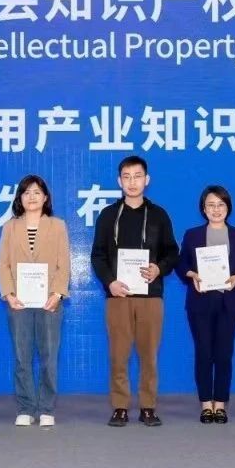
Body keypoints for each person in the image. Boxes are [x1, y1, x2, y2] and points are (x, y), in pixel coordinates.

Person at [90, 155, 179, 427]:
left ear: (146, 180)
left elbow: (172, 252)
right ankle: (120, 407)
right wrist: (109, 282)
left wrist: (159, 268)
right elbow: (98, 255)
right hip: (118, 296)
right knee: (118, 355)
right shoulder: (108, 215)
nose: (132, 182)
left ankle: (148, 407)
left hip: (150, 297)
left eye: (137, 176)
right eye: (127, 177)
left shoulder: (159, 215)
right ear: (119, 181)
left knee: (149, 356)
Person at [176, 185, 235, 424]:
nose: (216, 209)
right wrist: (191, 274)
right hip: (200, 302)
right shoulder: (192, 235)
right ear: (203, 208)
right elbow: (181, 263)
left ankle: (220, 404)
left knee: (224, 353)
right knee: (203, 352)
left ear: (228, 208)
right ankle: (205, 404)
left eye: (221, 204)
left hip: (229, 302)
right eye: (211, 205)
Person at [0, 175, 71, 428]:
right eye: (26, 192)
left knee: (49, 357)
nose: (32, 197)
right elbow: (3, 264)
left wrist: (57, 294)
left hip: (50, 302)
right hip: (19, 303)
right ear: (20, 197)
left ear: (45, 197)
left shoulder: (58, 226)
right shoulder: (10, 227)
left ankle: (46, 407)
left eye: (37, 192)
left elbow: (64, 264)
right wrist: (9, 294)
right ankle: (26, 407)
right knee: (22, 356)